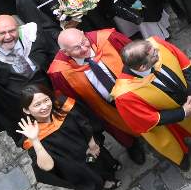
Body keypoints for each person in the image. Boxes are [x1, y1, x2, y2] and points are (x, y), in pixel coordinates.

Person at [47, 27, 147, 164]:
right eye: (76, 48)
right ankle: (132, 145)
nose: (84, 49)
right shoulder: (60, 72)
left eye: (84, 41)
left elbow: (139, 55)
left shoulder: (108, 38)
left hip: (135, 93)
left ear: (84, 33)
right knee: (119, 130)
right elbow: (71, 102)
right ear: (65, 52)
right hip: (105, 108)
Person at [112, 37, 191, 170]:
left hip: (189, 95)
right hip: (170, 121)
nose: (158, 50)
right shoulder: (123, 94)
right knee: (172, 142)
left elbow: (185, 65)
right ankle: (181, 157)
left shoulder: (156, 43)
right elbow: (147, 119)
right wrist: (183, 113)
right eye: (154, 55)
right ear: (143, 67)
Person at [16, 84, 120, 190]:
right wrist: (35, 140)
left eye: (46, 100)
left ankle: (109, 172)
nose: (44, 106)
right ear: (27, 110)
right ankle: (103, 184)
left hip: (89, 149)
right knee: (91, 180)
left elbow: (84, 123)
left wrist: (92, 144)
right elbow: (47, 167)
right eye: (37, 105)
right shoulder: (31, 136)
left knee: (102, 162)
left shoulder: (63, 106)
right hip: (75, 167)